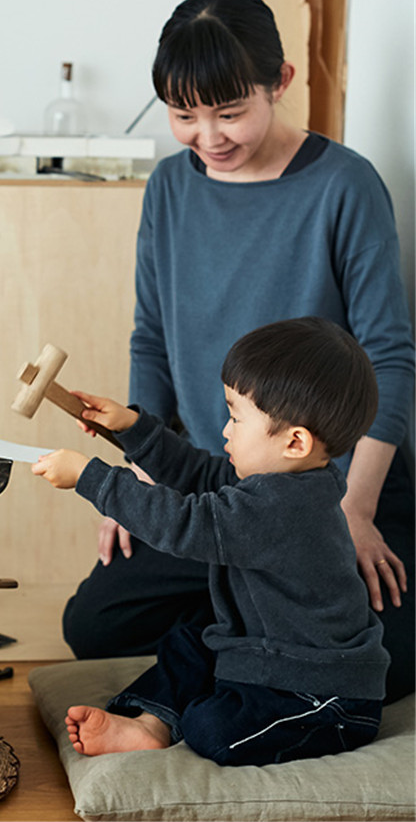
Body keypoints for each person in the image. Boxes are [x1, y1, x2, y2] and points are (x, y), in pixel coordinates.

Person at [61, 0, 415, 705]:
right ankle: (255, 630)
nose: (208, 136)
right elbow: (151, 338)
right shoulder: (169, 188)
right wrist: (145, 471)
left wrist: (355, 506)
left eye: (230, 113)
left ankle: (251, 636)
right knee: (94, 623)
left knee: (389, 661)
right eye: (184, 115)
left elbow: (391, 356)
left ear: (278, 83)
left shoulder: (345, 185)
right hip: (224, 479)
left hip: (332, 480)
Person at [33, 318, 389, 765]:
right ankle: (149, 723)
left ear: (295, 442)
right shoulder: (284, 479)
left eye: (236, 418)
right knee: (190, 643)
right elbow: (201, 475)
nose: (225, 430)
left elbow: (185, 523)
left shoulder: (285, 509)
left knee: (212, 729)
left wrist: (93, 480)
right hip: (264, 651)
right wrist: (131, 428)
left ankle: (178, 719)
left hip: (319, 694)